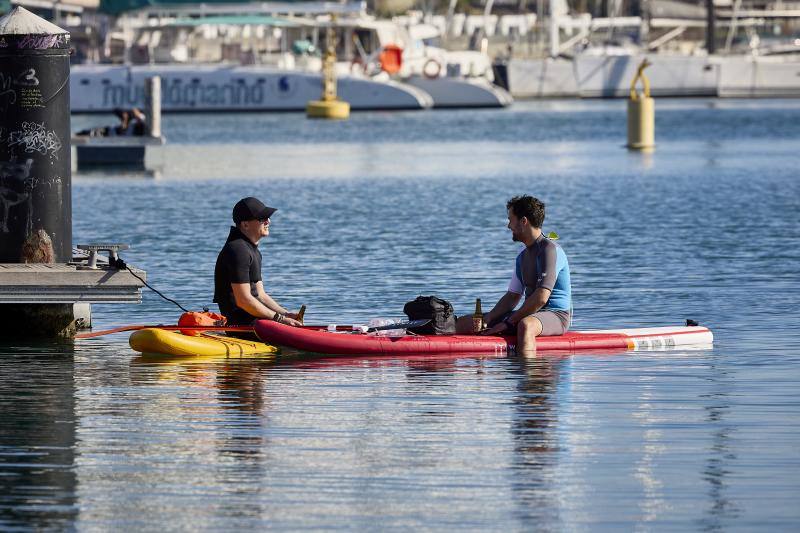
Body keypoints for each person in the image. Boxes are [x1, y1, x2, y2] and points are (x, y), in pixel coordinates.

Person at [457, 195, 571, 356]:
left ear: (523, 221)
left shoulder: (549, 250)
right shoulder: (522, 257)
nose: (508, 225)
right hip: (531, 313)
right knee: (465, 322)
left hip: (556, 316)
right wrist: (488, 319)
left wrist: (508, 323)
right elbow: (512, 297)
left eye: (510, 220)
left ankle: (529, 378)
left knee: (525, 325)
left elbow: (541, 298)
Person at [213, 197, 303, 330]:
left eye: (267, 217)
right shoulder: (238, 250)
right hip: (241, 327)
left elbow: (261, 295)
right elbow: (243, 300)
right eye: (262, 219)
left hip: (256, 322)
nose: (268, 221)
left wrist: (285, 314)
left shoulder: (251, 250)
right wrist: (279, 319)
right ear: (245, 225)